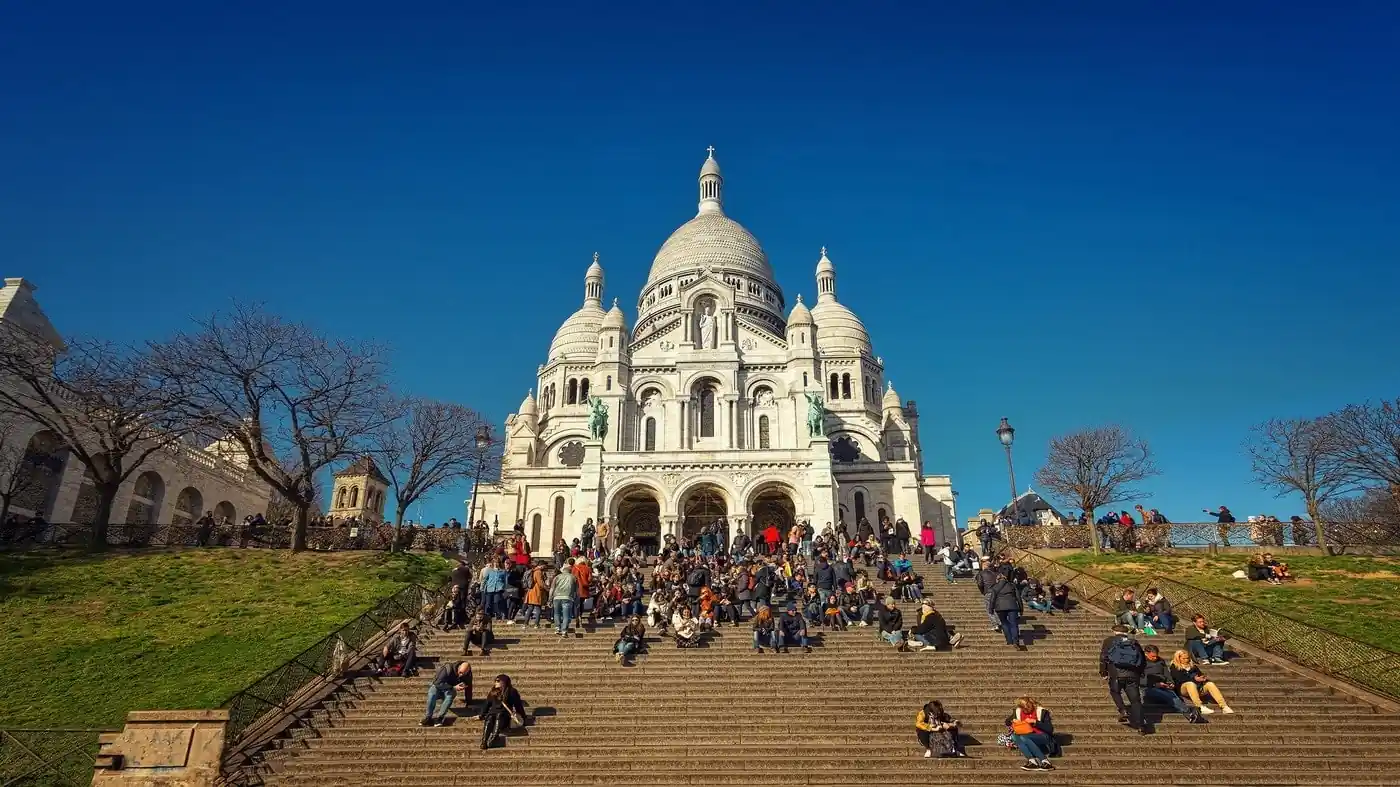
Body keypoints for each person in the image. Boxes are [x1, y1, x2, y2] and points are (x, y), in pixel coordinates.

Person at [1099, 624, 1147, 734]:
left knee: (1115, 691)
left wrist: (1103, 672)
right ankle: (1141, 726)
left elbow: (1103, 657)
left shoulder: (1109, 641)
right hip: (1133, 674)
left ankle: (1123, 710)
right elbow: (1142, 659)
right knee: (1135, 700)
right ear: (1126, 632)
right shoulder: (1133, 642)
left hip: (1116, 673)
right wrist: (1139, 672)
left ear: (1113, 631)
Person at [1141, 645, 1206, 723]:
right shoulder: (1140, 662)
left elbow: (1167, 674)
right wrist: (1155, 684)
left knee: (1172, 695)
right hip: (1149, 688)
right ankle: (1189, 712)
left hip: (1163, 686)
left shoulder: (1160, 661)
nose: (1155, 658)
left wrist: (1171, 683)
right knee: (1169, 696)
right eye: (1152, 656)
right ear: (1146, 653)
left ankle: (1191, 715)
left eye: (1156, 656)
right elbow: (1139, 679)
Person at [1170, 650, 1234, 714]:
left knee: (1210, 684)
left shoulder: (1193, 666)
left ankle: (1224, 706)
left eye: (1188, 658)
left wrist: (1203, 679)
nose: (1186, 660)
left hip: (1198, 687)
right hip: (1183, 689)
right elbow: (1178, 679)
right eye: (1184, 658)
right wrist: (1194, 679)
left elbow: (1200, 675)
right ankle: (1200, 706)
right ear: (1178, 658)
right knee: (1190, 684)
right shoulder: (1174, 666)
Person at [479, 674, 528, 749]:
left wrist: (523, 717)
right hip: (492, 716)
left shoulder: (512, 691)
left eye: (498, 681)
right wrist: (481, 715)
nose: (496, 682)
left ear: (504, 682)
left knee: (499, 715)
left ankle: (494, 738)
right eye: (495, 681)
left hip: (504, 717)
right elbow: (487, 704)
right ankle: (484, 741)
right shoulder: (493, 691)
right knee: (490, 717)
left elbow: (518, 705)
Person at [1007, 696, 1056, 771]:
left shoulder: (1041, 712)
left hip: (1042, 736)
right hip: (1026, 735)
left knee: (1024, 737)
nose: (1026, 710)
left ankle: (1045, 761)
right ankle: (1032, 761)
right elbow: (1007, 721)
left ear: (1032, 705)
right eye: (1023, 708)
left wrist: (1035, 722)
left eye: (1027, 708)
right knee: (1014, 736)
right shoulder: (1018, 712)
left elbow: (1049, 729)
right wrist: (1013, 721)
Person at [422, 660, 472, 727]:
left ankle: (440, 717)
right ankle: (428, 717)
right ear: (458, 667)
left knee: (450, 695)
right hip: (438, 686)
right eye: (460, 672)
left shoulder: (468, 674)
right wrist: (453, 687)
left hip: (449, 689)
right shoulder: (447, 668)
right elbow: (437, 683)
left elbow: (469, 686)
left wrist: (468, 701)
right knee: (432, 694)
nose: (461, 675)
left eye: (464, 674)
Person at [990, 569, 1025, 649]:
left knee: (1004, 623)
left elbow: (992, 599)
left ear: (997, 579)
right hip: (1012, 606)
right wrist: (1021, 608)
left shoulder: (995, 586)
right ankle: (1016, 641)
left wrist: (991, 609)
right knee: (1014, 624)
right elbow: (1018, 598)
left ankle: (1009, 641)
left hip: (1000, 607)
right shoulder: (1012, 585)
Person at [551, 559, 578, 636]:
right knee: (566, 615)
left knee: (556, 613)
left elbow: (552, 588)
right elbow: (576, 591)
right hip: (567, 597)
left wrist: (550, 598)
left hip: (556, 597)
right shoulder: (573, 577)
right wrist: (576, 599)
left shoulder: (557, 577)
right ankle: (564, 630)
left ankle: (557, 628)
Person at [522, 563, 547, 628]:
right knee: (538, 608)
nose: (545, 567)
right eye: (544, 565)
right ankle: (536, 624)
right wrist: (547, 588)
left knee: (530, 608)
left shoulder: (533, 571)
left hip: (531, 592)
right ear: (541, 565)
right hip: (536, 592)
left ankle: (525, 624)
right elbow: (540, 583)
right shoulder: (538, 572)